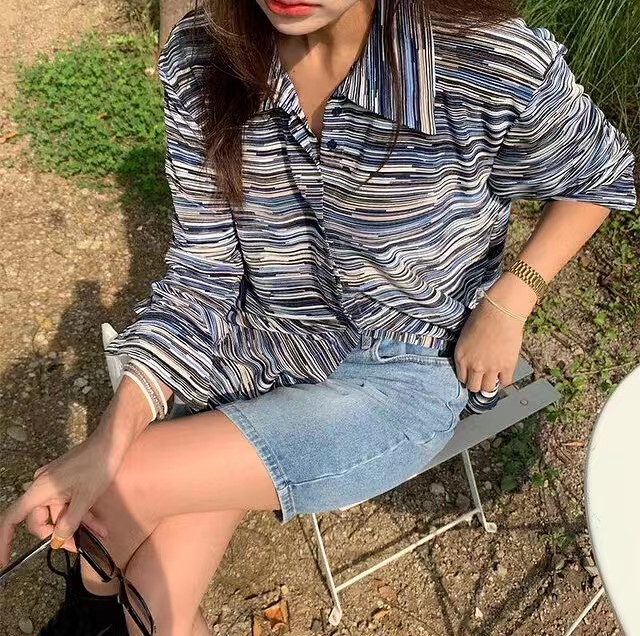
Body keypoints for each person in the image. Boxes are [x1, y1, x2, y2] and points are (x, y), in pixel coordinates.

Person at [1, 0, 637, 634]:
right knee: (139, 592)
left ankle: (88, 612)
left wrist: (510, 299)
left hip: (405, 368)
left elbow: (601, 175)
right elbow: (205, 275)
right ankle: (93, 608)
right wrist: (113, 430)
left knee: (123, 488)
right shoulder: (207, 55)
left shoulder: (480, 60)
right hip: (257, 343)